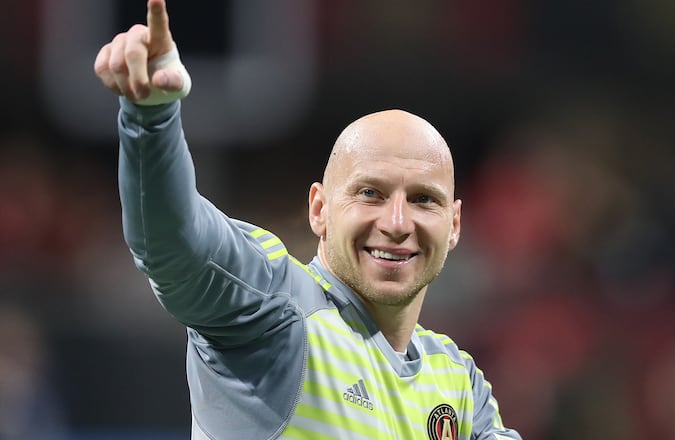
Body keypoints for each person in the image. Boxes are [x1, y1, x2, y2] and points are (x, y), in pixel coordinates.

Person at [94, 1, 522, 438]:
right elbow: (173, 244)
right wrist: (152, 119)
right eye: (370, 193)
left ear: (453, 225)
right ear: (319, 209)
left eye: (422, 199)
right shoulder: (274, 310)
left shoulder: (459, 384)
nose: (397, 222)